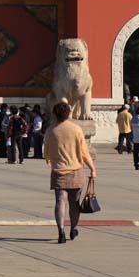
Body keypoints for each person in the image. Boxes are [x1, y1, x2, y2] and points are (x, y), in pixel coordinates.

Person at [44, 101, 96, 244]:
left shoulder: (50, 130)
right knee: (74, 203)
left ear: (55, 113)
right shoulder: (76, 129)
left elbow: (46, 153)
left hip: (58, 170)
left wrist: (51, 160)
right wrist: (92, 168)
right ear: (69, 113)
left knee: (60, 201)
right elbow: (84, 152)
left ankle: (60, 230)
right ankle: (73, 228)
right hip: (76, 170)